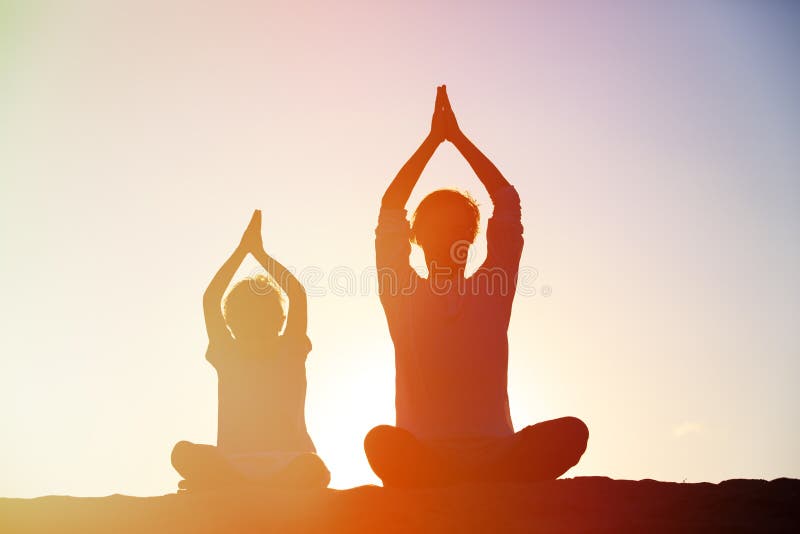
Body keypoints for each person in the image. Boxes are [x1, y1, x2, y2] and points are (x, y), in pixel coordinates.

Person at [366, 86, 588, 487]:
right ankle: (445, 483)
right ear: (418, 238)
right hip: (425, 457)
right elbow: (391, 210)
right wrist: (433, 141)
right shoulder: (403, 295)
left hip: (497, 457)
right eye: (438, 229)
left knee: (573, 431)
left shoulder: (492, 289)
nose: (449, 238)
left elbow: (506, 201)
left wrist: (459, 140)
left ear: (471, 238)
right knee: (380, 442)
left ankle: (486, 482)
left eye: (458, 229)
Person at [171, 210, 329, 491]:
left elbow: (297, 294)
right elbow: (210, 300)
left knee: (313, 467)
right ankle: (233, 484)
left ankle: (231, 486)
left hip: (289, 463)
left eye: (263, 317)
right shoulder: (228, 355)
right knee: (182, 452)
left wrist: (258, 253)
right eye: (246, 318)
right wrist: (243, 250)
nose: (255, 326)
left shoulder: (290, 350)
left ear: (279, 320)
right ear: (232, 324)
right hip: (232, 463)